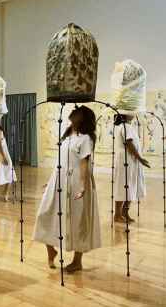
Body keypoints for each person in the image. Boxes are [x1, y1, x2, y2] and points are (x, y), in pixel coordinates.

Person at [33, 105, 101, 273]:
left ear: (82, 117)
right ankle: (51, 249)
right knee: (44, 214)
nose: (73, 110)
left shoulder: (86, 138)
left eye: (77, 110)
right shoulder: (68, 133)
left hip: (76, 181)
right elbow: (61, 159)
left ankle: (77, 261)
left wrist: (83, 185)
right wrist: (51, 180)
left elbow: (84, 162)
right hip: (59, 179)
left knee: (78, 220)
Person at [114, 114, 150, 223]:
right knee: (123, 185)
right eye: (131, 113)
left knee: (131, 186)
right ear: (125, 115)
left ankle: (124, 212)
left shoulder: (127, 126)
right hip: (126, 160)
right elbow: (128, 143)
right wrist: (140, 158)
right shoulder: (126, 127)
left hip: (130, 160)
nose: (133, 114)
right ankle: (117, 215)